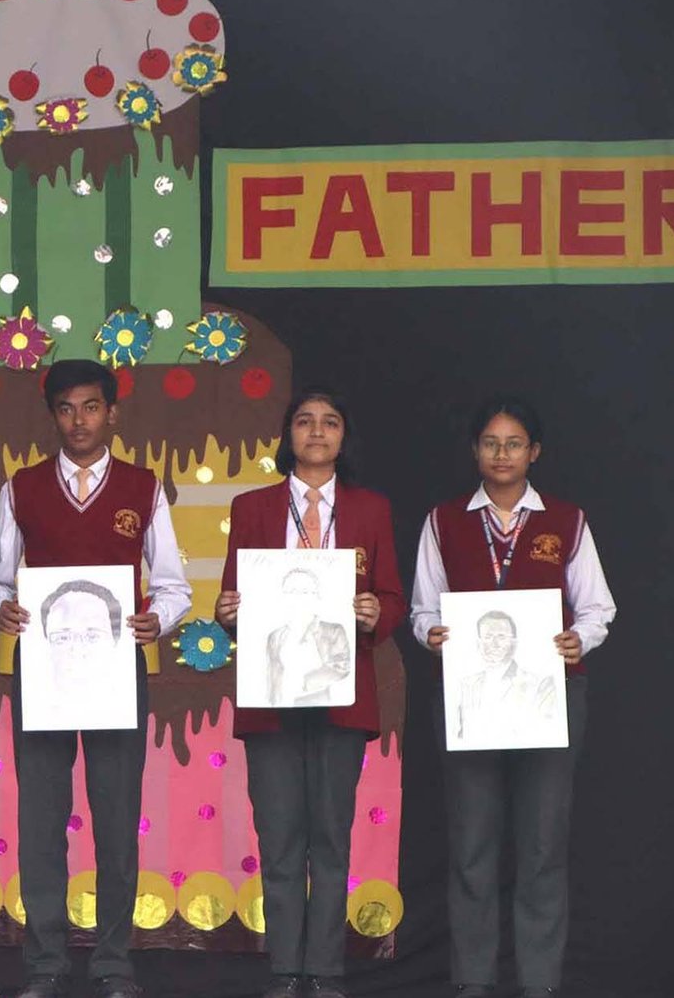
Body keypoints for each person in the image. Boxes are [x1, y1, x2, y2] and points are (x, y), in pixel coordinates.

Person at [0, 359, 192, 998]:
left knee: (116, 815)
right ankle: (45, 964)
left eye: (92, 407)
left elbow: (173, 584)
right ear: (53, 416)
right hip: (43, 669)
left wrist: (159, 619)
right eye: (67, 408)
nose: (79, 420)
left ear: (113, 413)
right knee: (41, 819)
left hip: (116, 670)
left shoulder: (143, 487)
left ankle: (113, 963)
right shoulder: (21, 488)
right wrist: (1, 610)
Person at [410, 396, 615, 998]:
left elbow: (598, 607)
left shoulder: (566, 520)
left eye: (515, 443)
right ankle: (473, 982)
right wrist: (432, 634)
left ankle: (539, 983)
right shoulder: (444, 520)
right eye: (491, 442)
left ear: (534, 452)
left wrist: (580, 639)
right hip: (468, 699)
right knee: (472, 845)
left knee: (543, 844)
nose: (502, 453)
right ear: (475, 450)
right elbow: (423, 608)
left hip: (550, 696)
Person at [215, 388, 406, 998]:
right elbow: (231, 598)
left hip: (341, 691)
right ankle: (284, 970)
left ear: (344, 436)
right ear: (288, 434)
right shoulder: (252, 506)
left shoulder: (371, 508)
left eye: (330, 422)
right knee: (278, 837)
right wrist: (227, 611)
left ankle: (323, 971)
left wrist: (377, 612)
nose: (317, 431)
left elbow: (393, 597)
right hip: (270, 694)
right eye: (304, 421)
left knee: (329, 835)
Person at [454, 610, 558, 743]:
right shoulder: (466, 685)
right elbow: (460, 735)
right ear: (478, 643)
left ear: (514, 643)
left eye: (501, 637)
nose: (494, 644)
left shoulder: (540, 684)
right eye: (488, 637)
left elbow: (545, 733)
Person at [264, 568, 352, 707]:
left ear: (316, 596)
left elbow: (341, 667)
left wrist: (304, 682)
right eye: (291, 591)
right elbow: (272, 676)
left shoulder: (333, 631)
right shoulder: (275, 637)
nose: (297, 597)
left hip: (319, 706)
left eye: (305, 591)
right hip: (279, 708)